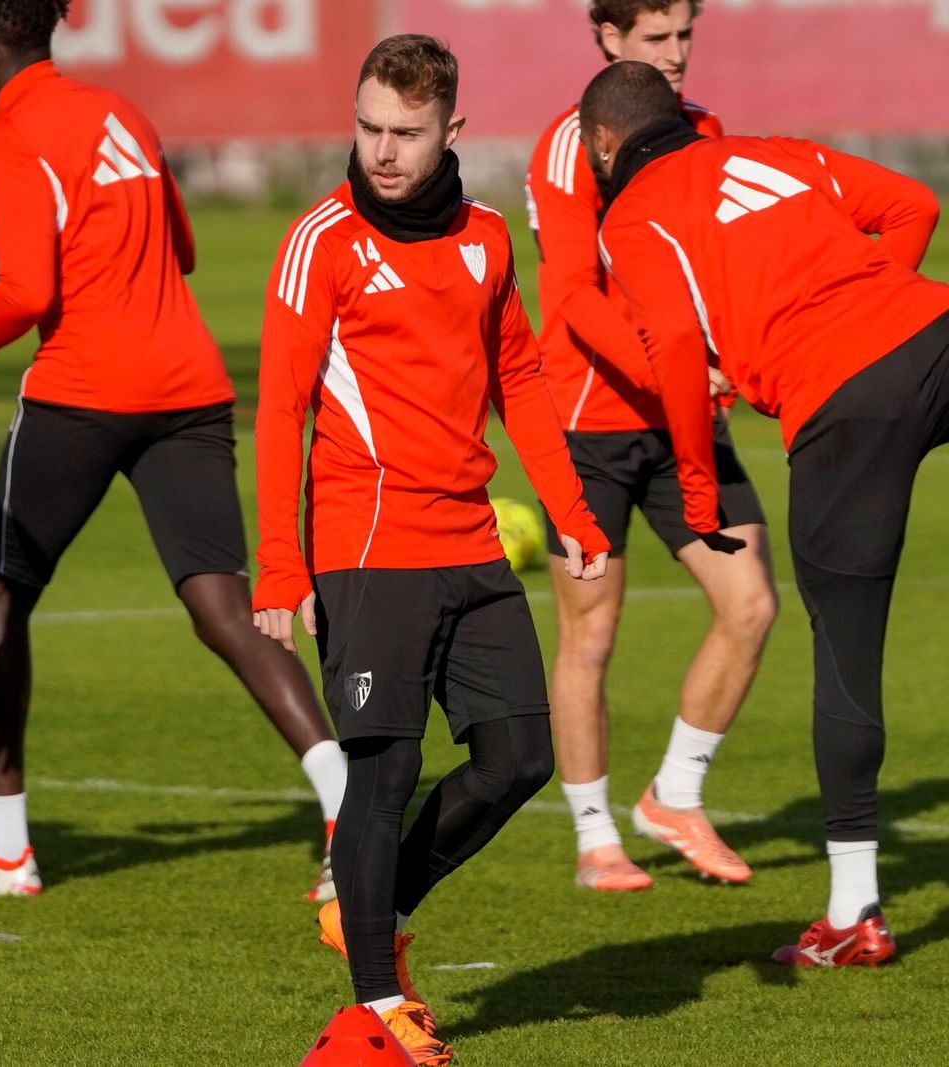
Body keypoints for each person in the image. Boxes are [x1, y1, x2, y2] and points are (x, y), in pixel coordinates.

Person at [582, 61, 949, 967]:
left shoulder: (629, 218)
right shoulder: (763, 154)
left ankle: (856, 911)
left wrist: (698, 487)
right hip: (943, 335)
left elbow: (676, 352)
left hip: (839, 409)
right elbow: (913, 205)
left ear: (605, 146)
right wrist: (870, 306)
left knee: (847, 658)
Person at [0, 0, 345, 903]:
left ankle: (8, 852)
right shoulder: (120, 111)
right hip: (187, 389)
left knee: (0, 591)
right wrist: (45, 248)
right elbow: (175, 247)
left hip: (82, 394)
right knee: (223, 606)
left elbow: (28, 295)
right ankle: (348, 801)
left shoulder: (9, 133)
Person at [253, 35, 609, 1064]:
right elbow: (278, 409)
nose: (382, 150)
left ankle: (371, 900)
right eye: (368, 128)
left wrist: (573, 511)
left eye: (406, 133)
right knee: (386, 768)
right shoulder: (318, 239)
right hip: (366, 543)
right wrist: (280, 564)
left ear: (452, 129)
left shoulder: (489, 238)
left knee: (519, 757)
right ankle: (376, 1001)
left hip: (469, 537)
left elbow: (524, 383)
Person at [526, 0, 775, 892]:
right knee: (591, 633)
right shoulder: (573, 146)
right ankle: (595, 838)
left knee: (749, 604)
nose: (676, 55)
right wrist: (672, 368)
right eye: (657, 39)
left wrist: (733, 359)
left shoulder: (704, 131)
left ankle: (674, 793)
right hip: (587, 424)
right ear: (608, 41)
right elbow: (571, 295)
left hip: (684, 426)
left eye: (685, 37)